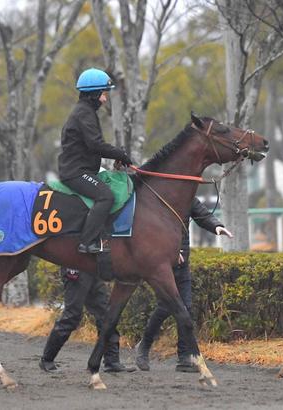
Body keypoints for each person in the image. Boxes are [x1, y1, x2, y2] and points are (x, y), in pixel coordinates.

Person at [135, 197, 233, 373]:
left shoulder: (186, 194)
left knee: (185, 309)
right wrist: (170, 250)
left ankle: (184, 358)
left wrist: (216, 226)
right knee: (166, 307)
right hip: (162, 264)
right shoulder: (157, 197)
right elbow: (150, 230)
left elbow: (202, 215)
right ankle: (144, 345)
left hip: (183, 264)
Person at [58, 68, 132, 254]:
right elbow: (96, 144)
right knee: (106, 196)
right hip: (76, 173)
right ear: (93, 94)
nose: (105, 99)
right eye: (103, 94)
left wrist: (117, 155)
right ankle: (86, 242)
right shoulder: (84, 113)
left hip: (83, 170)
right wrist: (120, 154)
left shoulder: (86, 111)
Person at [39, 267, 136, 373]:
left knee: (106, 315)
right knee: (72, 315)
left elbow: (100, 249)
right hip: (75, 267)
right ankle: (47, 360)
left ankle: (112, 361)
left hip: (92, 268)